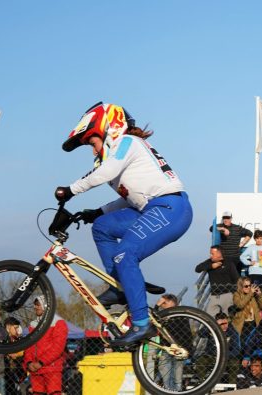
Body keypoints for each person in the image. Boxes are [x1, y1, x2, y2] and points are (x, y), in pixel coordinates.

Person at [55, 102, 191, 346]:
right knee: (102, 226)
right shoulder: (121, 156)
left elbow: (104, 173)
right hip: (151, 207)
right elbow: (128, 197)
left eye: (92, 143)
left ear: (110, 128)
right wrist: (97, 212)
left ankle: (141, 323)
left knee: (125, 253)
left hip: (171, 208)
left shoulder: (128, 143)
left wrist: (70, 190)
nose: (93, 151)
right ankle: (119, 286)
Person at [23, 297, 68, 395]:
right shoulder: (33, 324)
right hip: (35, 368)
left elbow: (58, 347)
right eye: (35, 304)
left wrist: (41, 362)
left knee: (54, 393)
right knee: (37, 393)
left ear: (46, 306)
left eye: (38, 304)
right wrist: (29, 362)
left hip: (51, 368)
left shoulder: (58, 322)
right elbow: (28, 346)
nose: (35, 307)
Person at [195, 245, 238, 316]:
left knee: (228, 318)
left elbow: (236, 278)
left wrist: (233, 293)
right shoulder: (209, 262)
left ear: (219, 253)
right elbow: (197, 269)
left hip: (227, 295)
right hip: (214, 295)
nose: (210, 256)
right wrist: (211, 266)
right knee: (210, 318)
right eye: (210, 253)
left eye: (212, 254)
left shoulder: (228, 263)